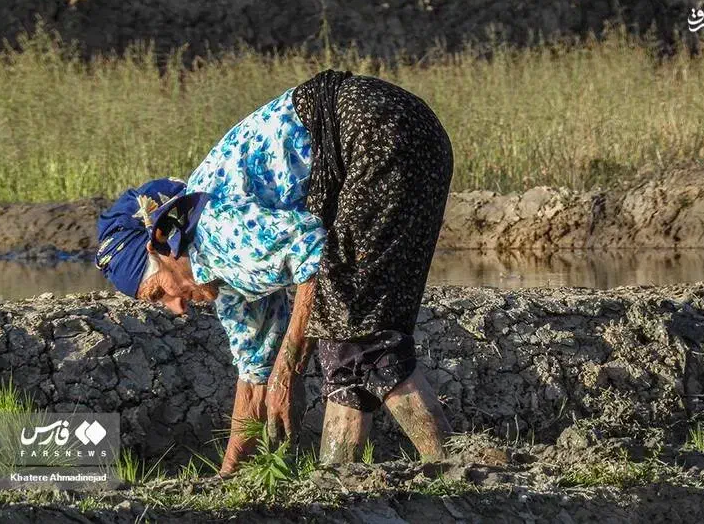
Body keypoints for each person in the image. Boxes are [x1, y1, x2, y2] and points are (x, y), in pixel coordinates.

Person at [95, 70, 454, 476]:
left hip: (371, 128)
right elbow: (253, 380)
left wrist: (289, 369)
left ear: (160, 246)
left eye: (160, 293)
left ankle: (456, 466)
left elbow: (313, 250)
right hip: (409, 130)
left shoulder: (212, 233)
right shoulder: (223, 281)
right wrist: (227, 476)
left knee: (355, 329)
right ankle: (341, 483)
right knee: (349, 330)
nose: (177, 308)